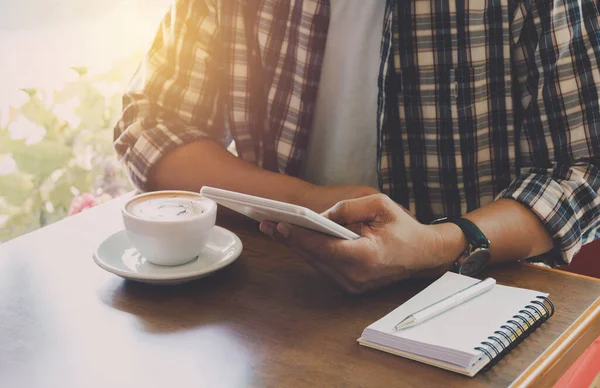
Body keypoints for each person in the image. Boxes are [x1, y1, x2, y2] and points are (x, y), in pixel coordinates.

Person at [114, 0, 600, 293]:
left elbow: (583, 168)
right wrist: (310, 205)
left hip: (469, 301)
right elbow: (152, 124)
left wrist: (436, 245)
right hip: (281, 299)